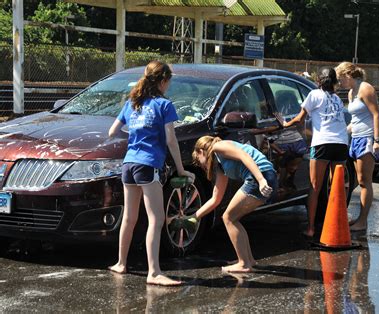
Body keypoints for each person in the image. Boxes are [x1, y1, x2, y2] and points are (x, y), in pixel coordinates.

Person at [108, 60, 194, 286]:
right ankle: (154, 272)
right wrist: (181, 168)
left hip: (129, 164)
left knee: (129, 217)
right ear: (164, 80)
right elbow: (171, 140)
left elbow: (112, 131)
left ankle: (121, 263)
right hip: (148, 165)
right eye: (169, 82)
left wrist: (137, 137)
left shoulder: (133, 102)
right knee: (155, 219)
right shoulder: (164, 105)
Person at [187, 135, 277, 273]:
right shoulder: (221, 166)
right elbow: (215, 199)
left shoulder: (218, 147)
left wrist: (261, 180)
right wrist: (194, 217)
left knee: (228, 218)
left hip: (260, 177)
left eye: (198, 160)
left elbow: (244, 156)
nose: (201, 165)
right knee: (232, 218)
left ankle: (244, 263)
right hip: (264, 178)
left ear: (200, 151)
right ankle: (249, 260)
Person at [283, 67, 349, 238]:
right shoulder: (337, 99)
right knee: (336, 187)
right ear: (334, 81)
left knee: (315, 187)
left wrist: (284, 124)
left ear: (318, 80)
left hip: (322, 143)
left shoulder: (314, 94)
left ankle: (311, 228)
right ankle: (337, 225)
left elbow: (300, 118)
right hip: (341, 143)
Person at [335, 61, 379, 232]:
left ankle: (363, 221)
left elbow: (376, 115)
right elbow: (355, 121)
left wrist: (377, 140)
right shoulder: (351, 92)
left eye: (340, 79)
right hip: (355, 138)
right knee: (358, 181)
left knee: (364, 181)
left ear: (348, 75)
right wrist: (341, 132)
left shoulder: (365, 89)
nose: (339, 83)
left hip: (367, 138)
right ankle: (360, 219)